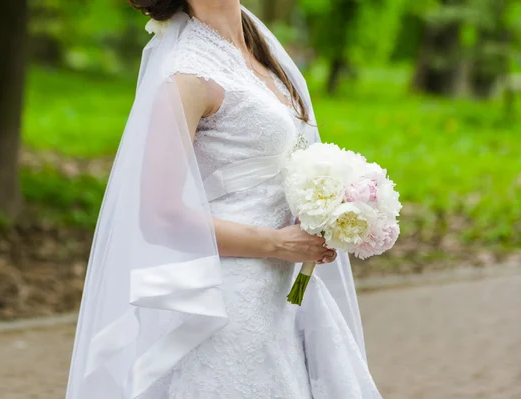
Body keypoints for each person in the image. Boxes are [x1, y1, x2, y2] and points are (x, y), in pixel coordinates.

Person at [66, 1, 383, 398]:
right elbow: (159, 216)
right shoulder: (186, 73)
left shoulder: (258, 45)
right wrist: (277, 243)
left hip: (284, 299)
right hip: (230, 301)